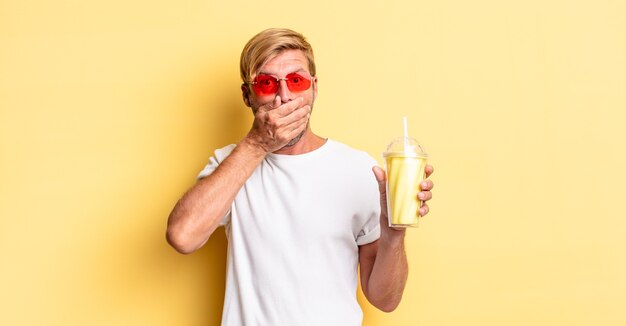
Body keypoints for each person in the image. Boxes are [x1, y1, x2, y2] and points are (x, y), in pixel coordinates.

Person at [166, 28, 435, 325]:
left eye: (296, 81)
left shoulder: (359, 169)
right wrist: (256, 144)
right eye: (267, 83)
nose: (284, 97)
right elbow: (182, 236)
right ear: (247, 95)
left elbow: (385, 300)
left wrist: (394, 233)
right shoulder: (232, 164)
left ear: (314, 88)